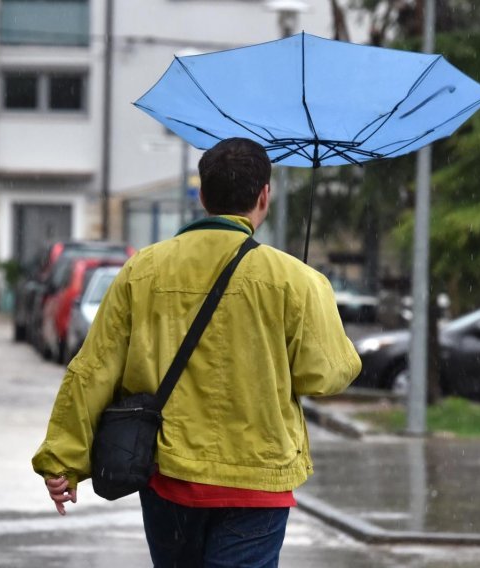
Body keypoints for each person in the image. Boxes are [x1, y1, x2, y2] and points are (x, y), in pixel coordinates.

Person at [32, 137, 361, 567]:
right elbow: (325, 375)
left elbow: (94, 369)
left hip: (170, 478)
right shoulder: (296, 280)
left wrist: (63, 459)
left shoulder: (142, 269)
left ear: (203, 196)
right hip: (257, 482)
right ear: (265, 195)